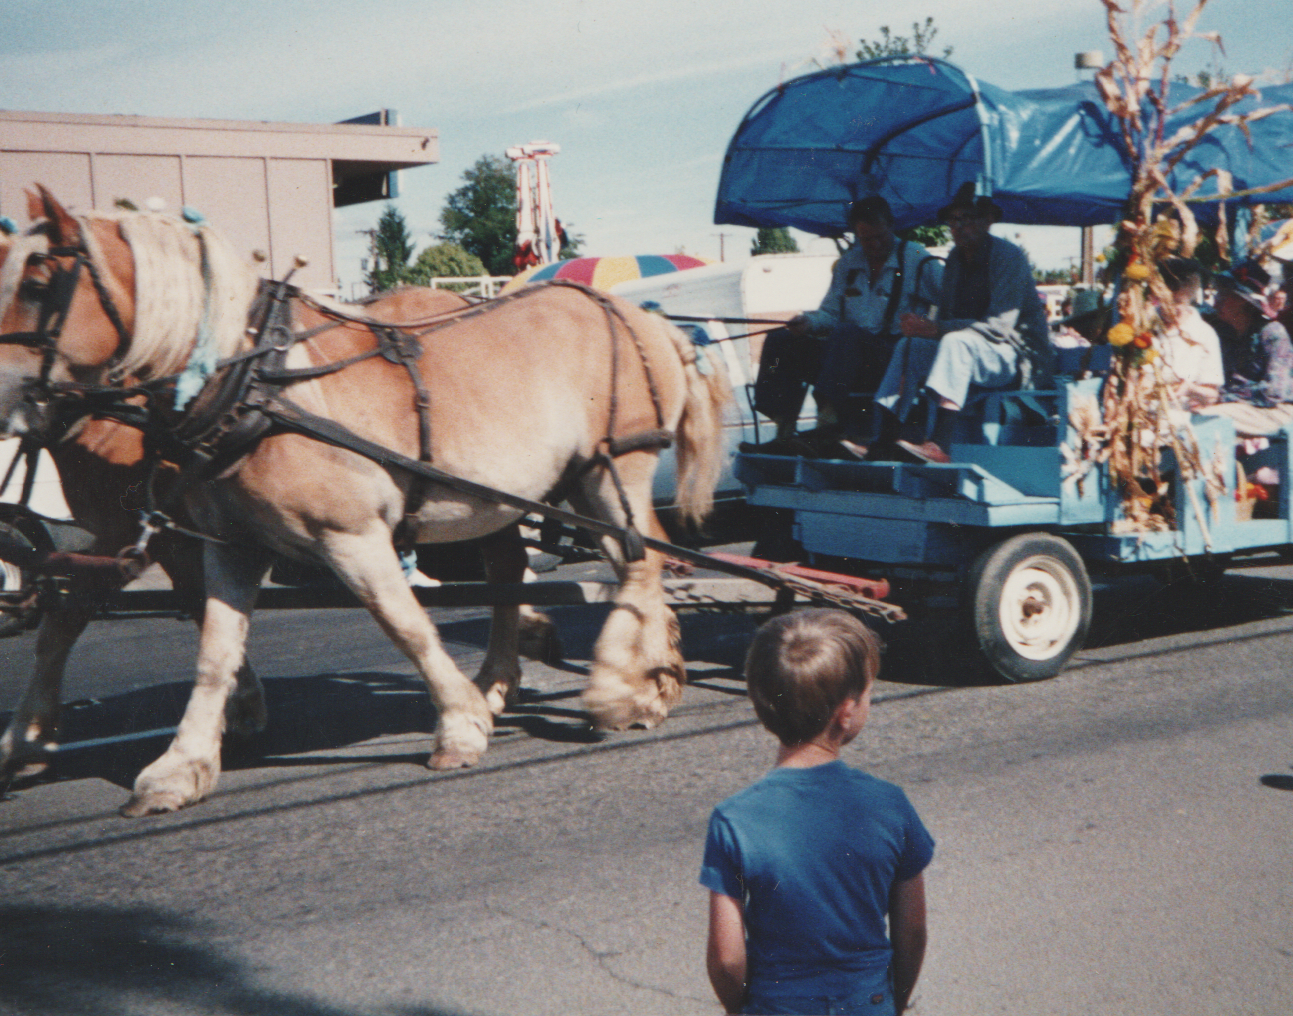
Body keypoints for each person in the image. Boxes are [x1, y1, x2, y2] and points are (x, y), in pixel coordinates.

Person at [701, 610, 933, 1015]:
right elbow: (912, 930)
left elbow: (726, 958)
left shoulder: (734, 819)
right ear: (846, 713)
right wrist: (893, 1003)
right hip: (867, 999)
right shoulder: (889, 805)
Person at [871, 182, 1053, 463]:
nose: (959, 226)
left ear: (988, 220)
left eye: (968, 218)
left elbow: (998, 328)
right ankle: (884, 439)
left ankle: (940, 444)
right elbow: (945, 318)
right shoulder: (955, 259)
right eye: (953, 220)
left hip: (1014, 357)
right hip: (975, 353)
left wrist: (938, 329)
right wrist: (924, 328)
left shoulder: (1008, 256)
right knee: (910, 345)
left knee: (956, 342)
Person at [745, 196, 942, 456]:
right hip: (846, 357)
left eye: (880, 236)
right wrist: (807, 322)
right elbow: (829, 312)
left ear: (891, 226)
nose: (874, 244)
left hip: (890, 357)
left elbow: (948, 303)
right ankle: (784, 428)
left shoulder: (916, 258)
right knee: (780, 339)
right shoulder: (849, 263)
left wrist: (926, 328)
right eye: (866, 238)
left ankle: (829, 421)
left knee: (847, 335)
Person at [1195, 259, 1293, 436]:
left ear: (1242, 302)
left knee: (1207, 417)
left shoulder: (1272, 333)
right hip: (1241, 408)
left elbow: (1273, 393)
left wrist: (1222, 398)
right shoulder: (1224, 332)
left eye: (1224, 297)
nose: (1217, 303)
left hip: (1277, 411)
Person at [1156, 256, 1223, 412]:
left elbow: (1212, 395)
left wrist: (1191, 389)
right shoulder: (1143, 326)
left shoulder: (1204, 334)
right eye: (1165, 300)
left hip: (1182, 417)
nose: (1170, 307)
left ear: (1190, 297)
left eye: (1177, 301)